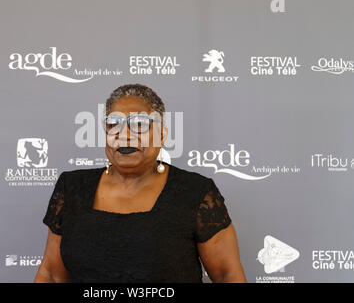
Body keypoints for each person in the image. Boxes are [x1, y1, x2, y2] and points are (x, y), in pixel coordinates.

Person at [34, 84, 247, 283]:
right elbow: (51, 274)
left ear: (162, 135)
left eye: (139, 125)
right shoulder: (72, 188)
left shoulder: (196, 192)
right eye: (113, 125)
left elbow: (227, 275)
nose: (125, 135)